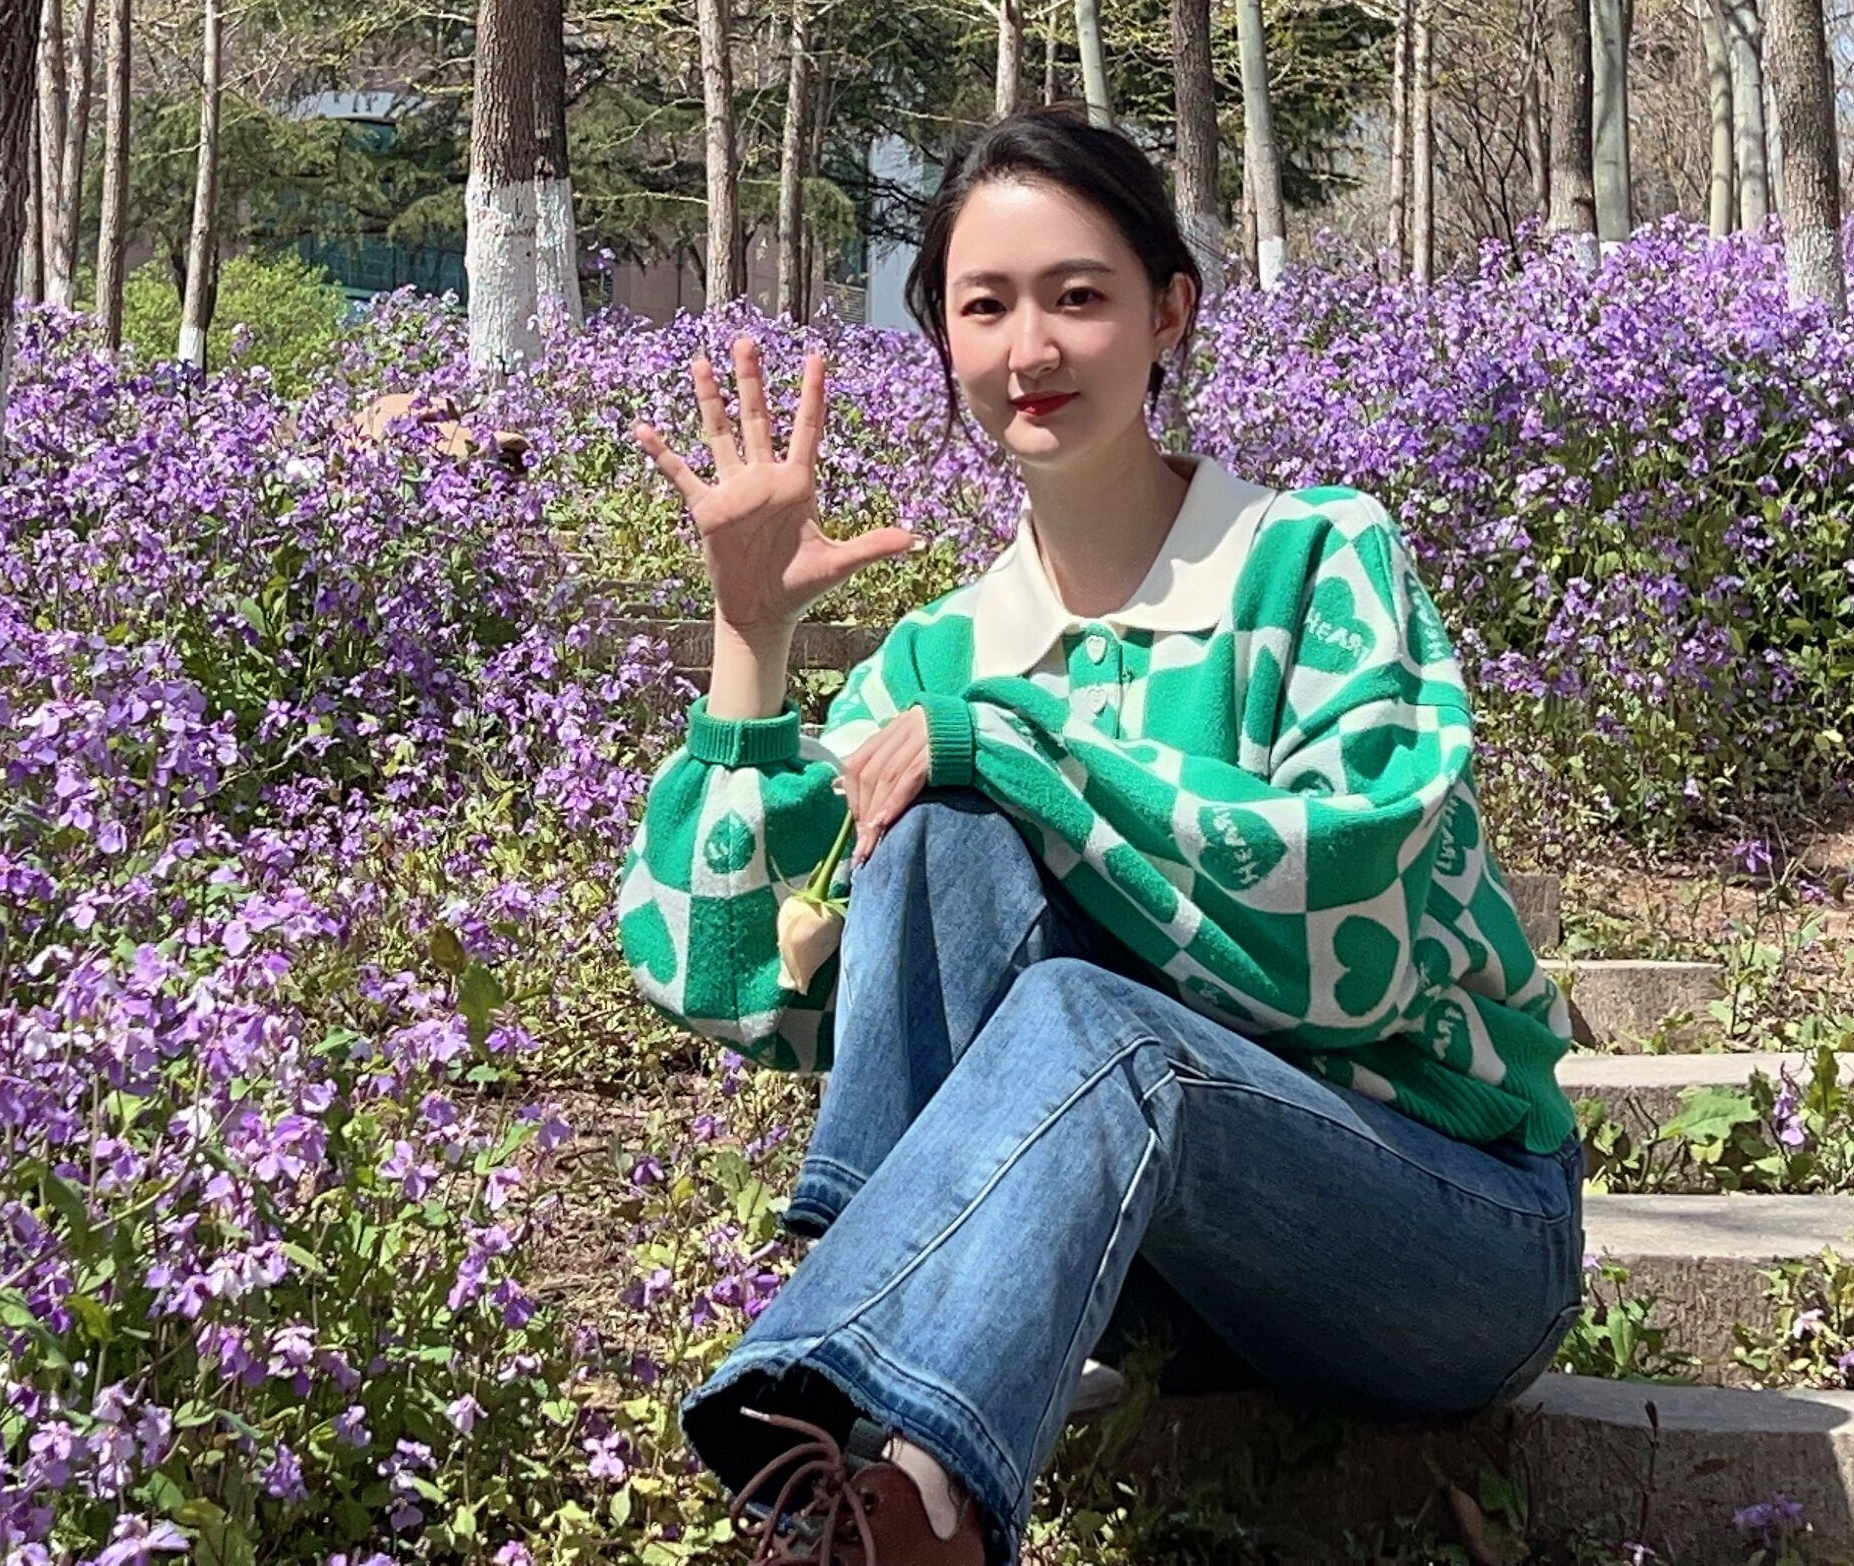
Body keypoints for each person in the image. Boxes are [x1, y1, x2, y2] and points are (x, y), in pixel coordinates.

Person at [617, 108, 1581, 1566]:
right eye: (984, 306)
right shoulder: (947, 658)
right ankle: (882, 1468)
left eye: (1079, 295)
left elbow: (1355, 913)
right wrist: (750, 635)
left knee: (1091, 1016)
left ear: (1168, 312)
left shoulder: (1313, 557)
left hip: (1443, 1237)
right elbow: (737, 971)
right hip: (1159, 1282)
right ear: (941, 337)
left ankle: (867, 1453)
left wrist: (1020, 749)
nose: (1031, 348)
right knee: (938, 826)